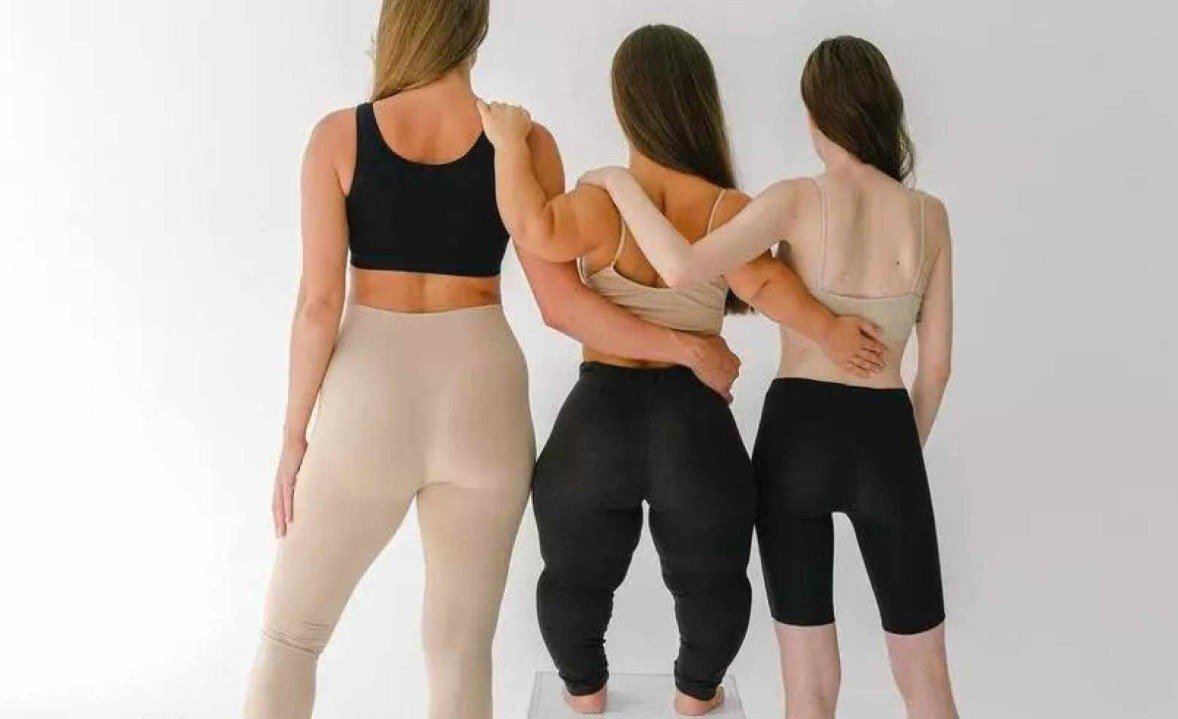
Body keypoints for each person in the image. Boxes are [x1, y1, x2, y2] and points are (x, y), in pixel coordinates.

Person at [243, 3, 745, 718]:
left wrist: (295, 434)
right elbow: (561, 305)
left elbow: (318, 306)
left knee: (291, 637)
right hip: (482, 389)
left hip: (370, 390)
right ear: (475, 32)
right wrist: (687, 347)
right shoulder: (525, 141)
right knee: (459, 648)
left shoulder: (338, 137)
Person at [477, 24, 888, 717]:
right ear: (699, 103)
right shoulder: (725, 210)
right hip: (693, 422)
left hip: (597, 419)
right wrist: (830, 330)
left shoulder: (601, 202)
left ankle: (585, 696)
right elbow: (769, 287)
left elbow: (533, 227)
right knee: (713, 583)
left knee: (572, 578)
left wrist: (510, 144)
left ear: (626, 107)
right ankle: (697, 698)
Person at [582, 35, 959, 719]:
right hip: (886, 435)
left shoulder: (794, 199)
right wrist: (897, 456)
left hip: (797, 439)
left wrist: (618, 182)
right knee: (927, 681)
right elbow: (936, 368)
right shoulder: (929, 215)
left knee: (808, 688)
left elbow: (682, 266)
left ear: (814, 115)